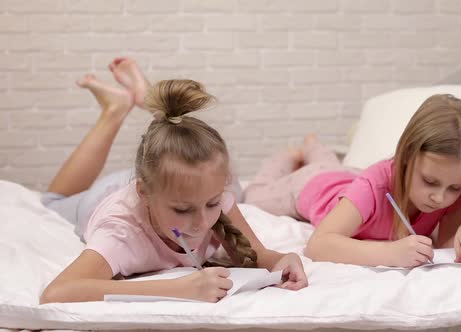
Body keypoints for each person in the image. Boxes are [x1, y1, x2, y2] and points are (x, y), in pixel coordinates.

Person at [40, 58, 307, 304]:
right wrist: (178, 289)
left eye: (212, 204)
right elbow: (57, 292)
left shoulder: (214, 199)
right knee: (52, 201)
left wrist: (281, 260)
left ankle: (151, 103)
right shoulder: (120, 232)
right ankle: (115, 109)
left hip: (162, 181)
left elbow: (256, 254)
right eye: (182, 210)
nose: (202, 223)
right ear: (144, 192)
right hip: (105, 195)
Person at [243, 94, 461, 268]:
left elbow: (446, 243)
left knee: (330, 164)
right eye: (429, 181)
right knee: (255, 193)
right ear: (406, 157)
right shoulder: (373, 186)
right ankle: (290, 154)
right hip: (310, 186)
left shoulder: (453, 184)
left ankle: (313, 146)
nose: (440, 197)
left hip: (346, 178)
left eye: (455, 188)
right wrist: (391, 254)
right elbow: (318, 245)